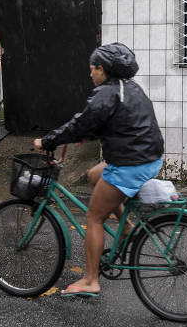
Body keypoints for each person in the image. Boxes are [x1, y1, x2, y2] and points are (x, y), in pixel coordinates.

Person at [33, 42, 164, 297]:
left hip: (131, 163)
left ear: (102, 69)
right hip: (147, 157)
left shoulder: (106, 93)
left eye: (92, 69)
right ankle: (126, 230)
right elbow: (109, 123)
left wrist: (47, 141)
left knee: (94, 217)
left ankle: (91, 280)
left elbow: (80, 124)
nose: (90, 73)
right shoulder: (130, 88)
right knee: (95, 175)